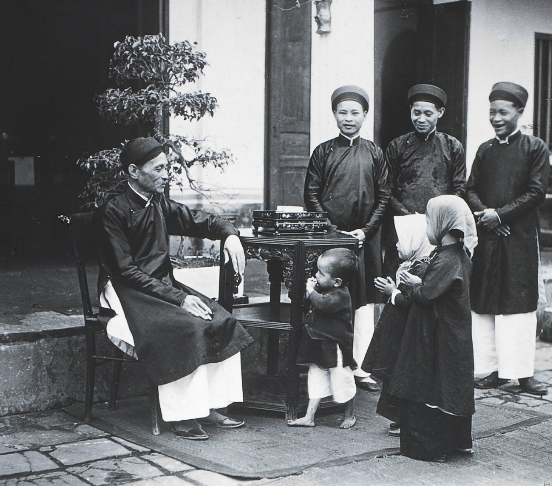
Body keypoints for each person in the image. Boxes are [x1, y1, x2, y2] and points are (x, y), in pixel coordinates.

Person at [97, 137, 254, 440]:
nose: (166, 174)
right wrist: (180, 299)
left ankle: (210, 405)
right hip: (126, 290)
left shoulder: (157, 203)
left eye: (167, 168)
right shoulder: (112, 211)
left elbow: (199, 221)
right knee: (185, 328)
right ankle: (181, 415)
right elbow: (126, 271)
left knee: (219, 319)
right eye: (159, 169)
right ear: (133, 171)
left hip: (160, 286)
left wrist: (230, 234)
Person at [304, 85, 391, 393]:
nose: (349, 118)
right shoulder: (323, 152)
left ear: (365, 115)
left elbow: (384, 196)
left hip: (364, 240)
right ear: (334, 115)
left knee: (363, 303)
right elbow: (311, 195)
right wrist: (333, 230)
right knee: (332, 302)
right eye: (343, 112)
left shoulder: (374, 152)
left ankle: (363, 368)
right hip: (333, 241)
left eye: (355, 113)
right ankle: (332, 365)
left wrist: (366, 231)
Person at [465, 82, 550, 396]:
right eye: (492, 111)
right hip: (489, 237)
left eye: (503, 111)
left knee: (518, 303)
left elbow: (536, 191)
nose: (497, 117)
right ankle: (494, 370)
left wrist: (501, 215)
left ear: (520, 112)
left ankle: (523, 374)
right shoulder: (485, 149)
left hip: (519, 238)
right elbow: (469, 188)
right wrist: (486, 214)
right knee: (486, 301)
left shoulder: (534, 148)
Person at [386, 195, 477, 462]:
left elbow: (426, 296)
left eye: (429, 221)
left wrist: (401, 289)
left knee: (433, 386)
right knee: (452, 386)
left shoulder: (447, 259)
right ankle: (459, 442)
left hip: (442, 334)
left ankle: (433, 447)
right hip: (452, 332)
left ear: (442, 224)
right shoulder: (456, 255)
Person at [383, 84, 466, 276]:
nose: (421, 119)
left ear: (440, 112)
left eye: (428, 113)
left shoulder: (452, 146)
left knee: (433, 280)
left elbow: (459, 188)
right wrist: (408, 215)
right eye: (416, 112)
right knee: (399, 278)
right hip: (404, 225)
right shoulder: (397, 146)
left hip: (439, 228)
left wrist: (439, 219)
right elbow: (386, 189)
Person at [364, 214, 434, 437]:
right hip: (399, 330)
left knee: (401, 376)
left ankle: (405, 420)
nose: (396, 244)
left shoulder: (421, 269)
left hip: (406, 333)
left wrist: (391, 292)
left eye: (401, 240)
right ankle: (398, 418)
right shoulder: (412, 264)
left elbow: (409, 301)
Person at [288, 248, 358, 429]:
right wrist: (311, 292)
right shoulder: (324, 288)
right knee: (315, 377)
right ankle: (309, 416)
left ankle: (350, 413)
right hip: (317, 343)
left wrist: (310, 291)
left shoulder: (341, 295)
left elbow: (322, 304)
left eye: (321, 273)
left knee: (342, 379)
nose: (316, 275)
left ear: (337, 282)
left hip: (335, 346)